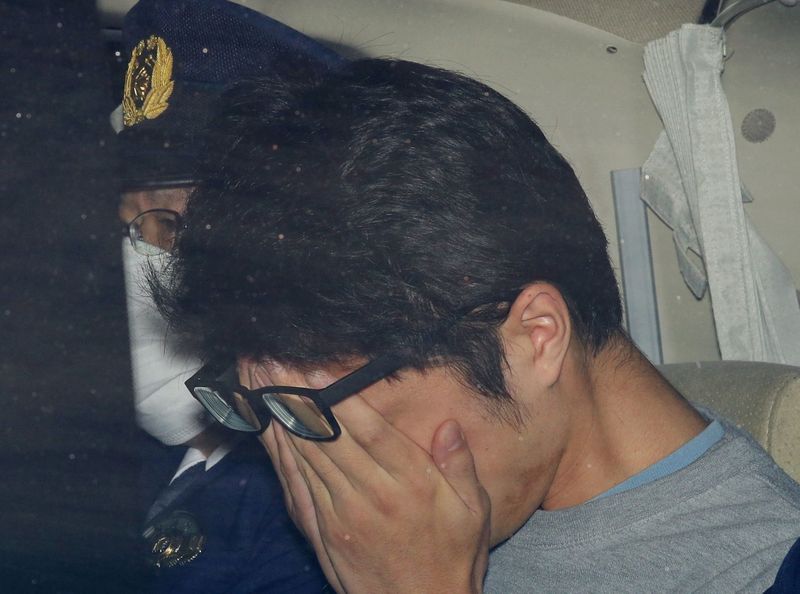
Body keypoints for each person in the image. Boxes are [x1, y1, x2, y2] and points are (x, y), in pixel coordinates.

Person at [152, 58, 800, 593]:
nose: (299, 469)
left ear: (533, 337)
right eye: (258, 407)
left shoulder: (752, 570)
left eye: (317, 412)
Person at [114, 0, 343, 590]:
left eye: (163, 226)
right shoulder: (109, 457)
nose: (128, 257)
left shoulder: (323, 505)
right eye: (118, 225)